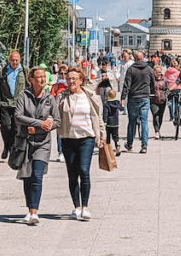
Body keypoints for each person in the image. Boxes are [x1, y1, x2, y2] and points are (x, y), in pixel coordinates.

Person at [57, 68, 104, 221]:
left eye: (73, 79)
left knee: (84, 170)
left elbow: (98, 117)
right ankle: (76, 207)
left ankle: (85, 206)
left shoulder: (89, 96)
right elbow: (55, 116)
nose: (70, 81)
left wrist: (101, 135)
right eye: (68, 78)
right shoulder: (62, 97)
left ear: (81, 80)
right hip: (68, 139)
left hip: (87, 138)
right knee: (72, 173)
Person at [14, 66, 58, 225]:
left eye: (43, 77)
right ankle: (29, 209)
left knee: (37, 176)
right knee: (27, 176)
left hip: (43, 143)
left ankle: (34, 212)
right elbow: (18, 116)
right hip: (25, 142)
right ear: (31, 79)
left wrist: (47, 126)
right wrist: (40, 123)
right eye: (38, 77)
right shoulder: (23, 96)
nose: (42, 80)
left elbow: (57, 120)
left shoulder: (50, 98)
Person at [0, 51, 26, 160]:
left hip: (19, 104)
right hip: (5, 103)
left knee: (16, 128)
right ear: (9, 60)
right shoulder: (3, 72)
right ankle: (6, 146)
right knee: (6, 126)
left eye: (16, 60)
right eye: (12, 60)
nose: (14, 62)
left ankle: (11, 147)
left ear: (20, 60)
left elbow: (30, 87)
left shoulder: (24, 71)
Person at [121, 50, 156, 153]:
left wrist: (123, 98)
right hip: (145, 98)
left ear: (135, 59)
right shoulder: (149, 69)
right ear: (143, 58)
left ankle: (130, 144)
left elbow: (126, 85)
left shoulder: (131, 69)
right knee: (144, 121)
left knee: (132, 122)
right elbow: (153, 83)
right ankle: (144, 145)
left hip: (133, 98)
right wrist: (151, 92)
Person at [150, 66, 169, 137]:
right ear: (154, 72)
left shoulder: (165, 80)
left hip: (162, 100)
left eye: (160, 72)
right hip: (153, 100)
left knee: (160, 116)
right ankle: (156, 131)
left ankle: (158, 129)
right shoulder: (151, 80)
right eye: (157, 72)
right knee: (155, 115)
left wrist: (166, 94)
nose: (158, 73)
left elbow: (167, 89)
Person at [103, 89, 121, 156]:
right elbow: (121, 108)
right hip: (116, 123)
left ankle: (108, 150)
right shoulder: (117, 103)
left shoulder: (106, 104)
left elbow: (105, 114)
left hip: (108, 123)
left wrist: (104, 122)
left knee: (108, 137)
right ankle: (117, 146)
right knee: (115, 136)